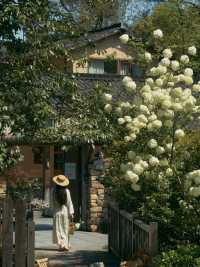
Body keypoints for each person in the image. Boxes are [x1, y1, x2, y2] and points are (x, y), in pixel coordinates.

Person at [52, 174, 74, 251]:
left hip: (57, 212)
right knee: (65, 228)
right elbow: (69, 202)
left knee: (58, 229)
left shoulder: (54, 191)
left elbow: (52, 203)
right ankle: (66, 244)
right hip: (65, 211)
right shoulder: (67, 191)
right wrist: (71, 213)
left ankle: (61, 245)